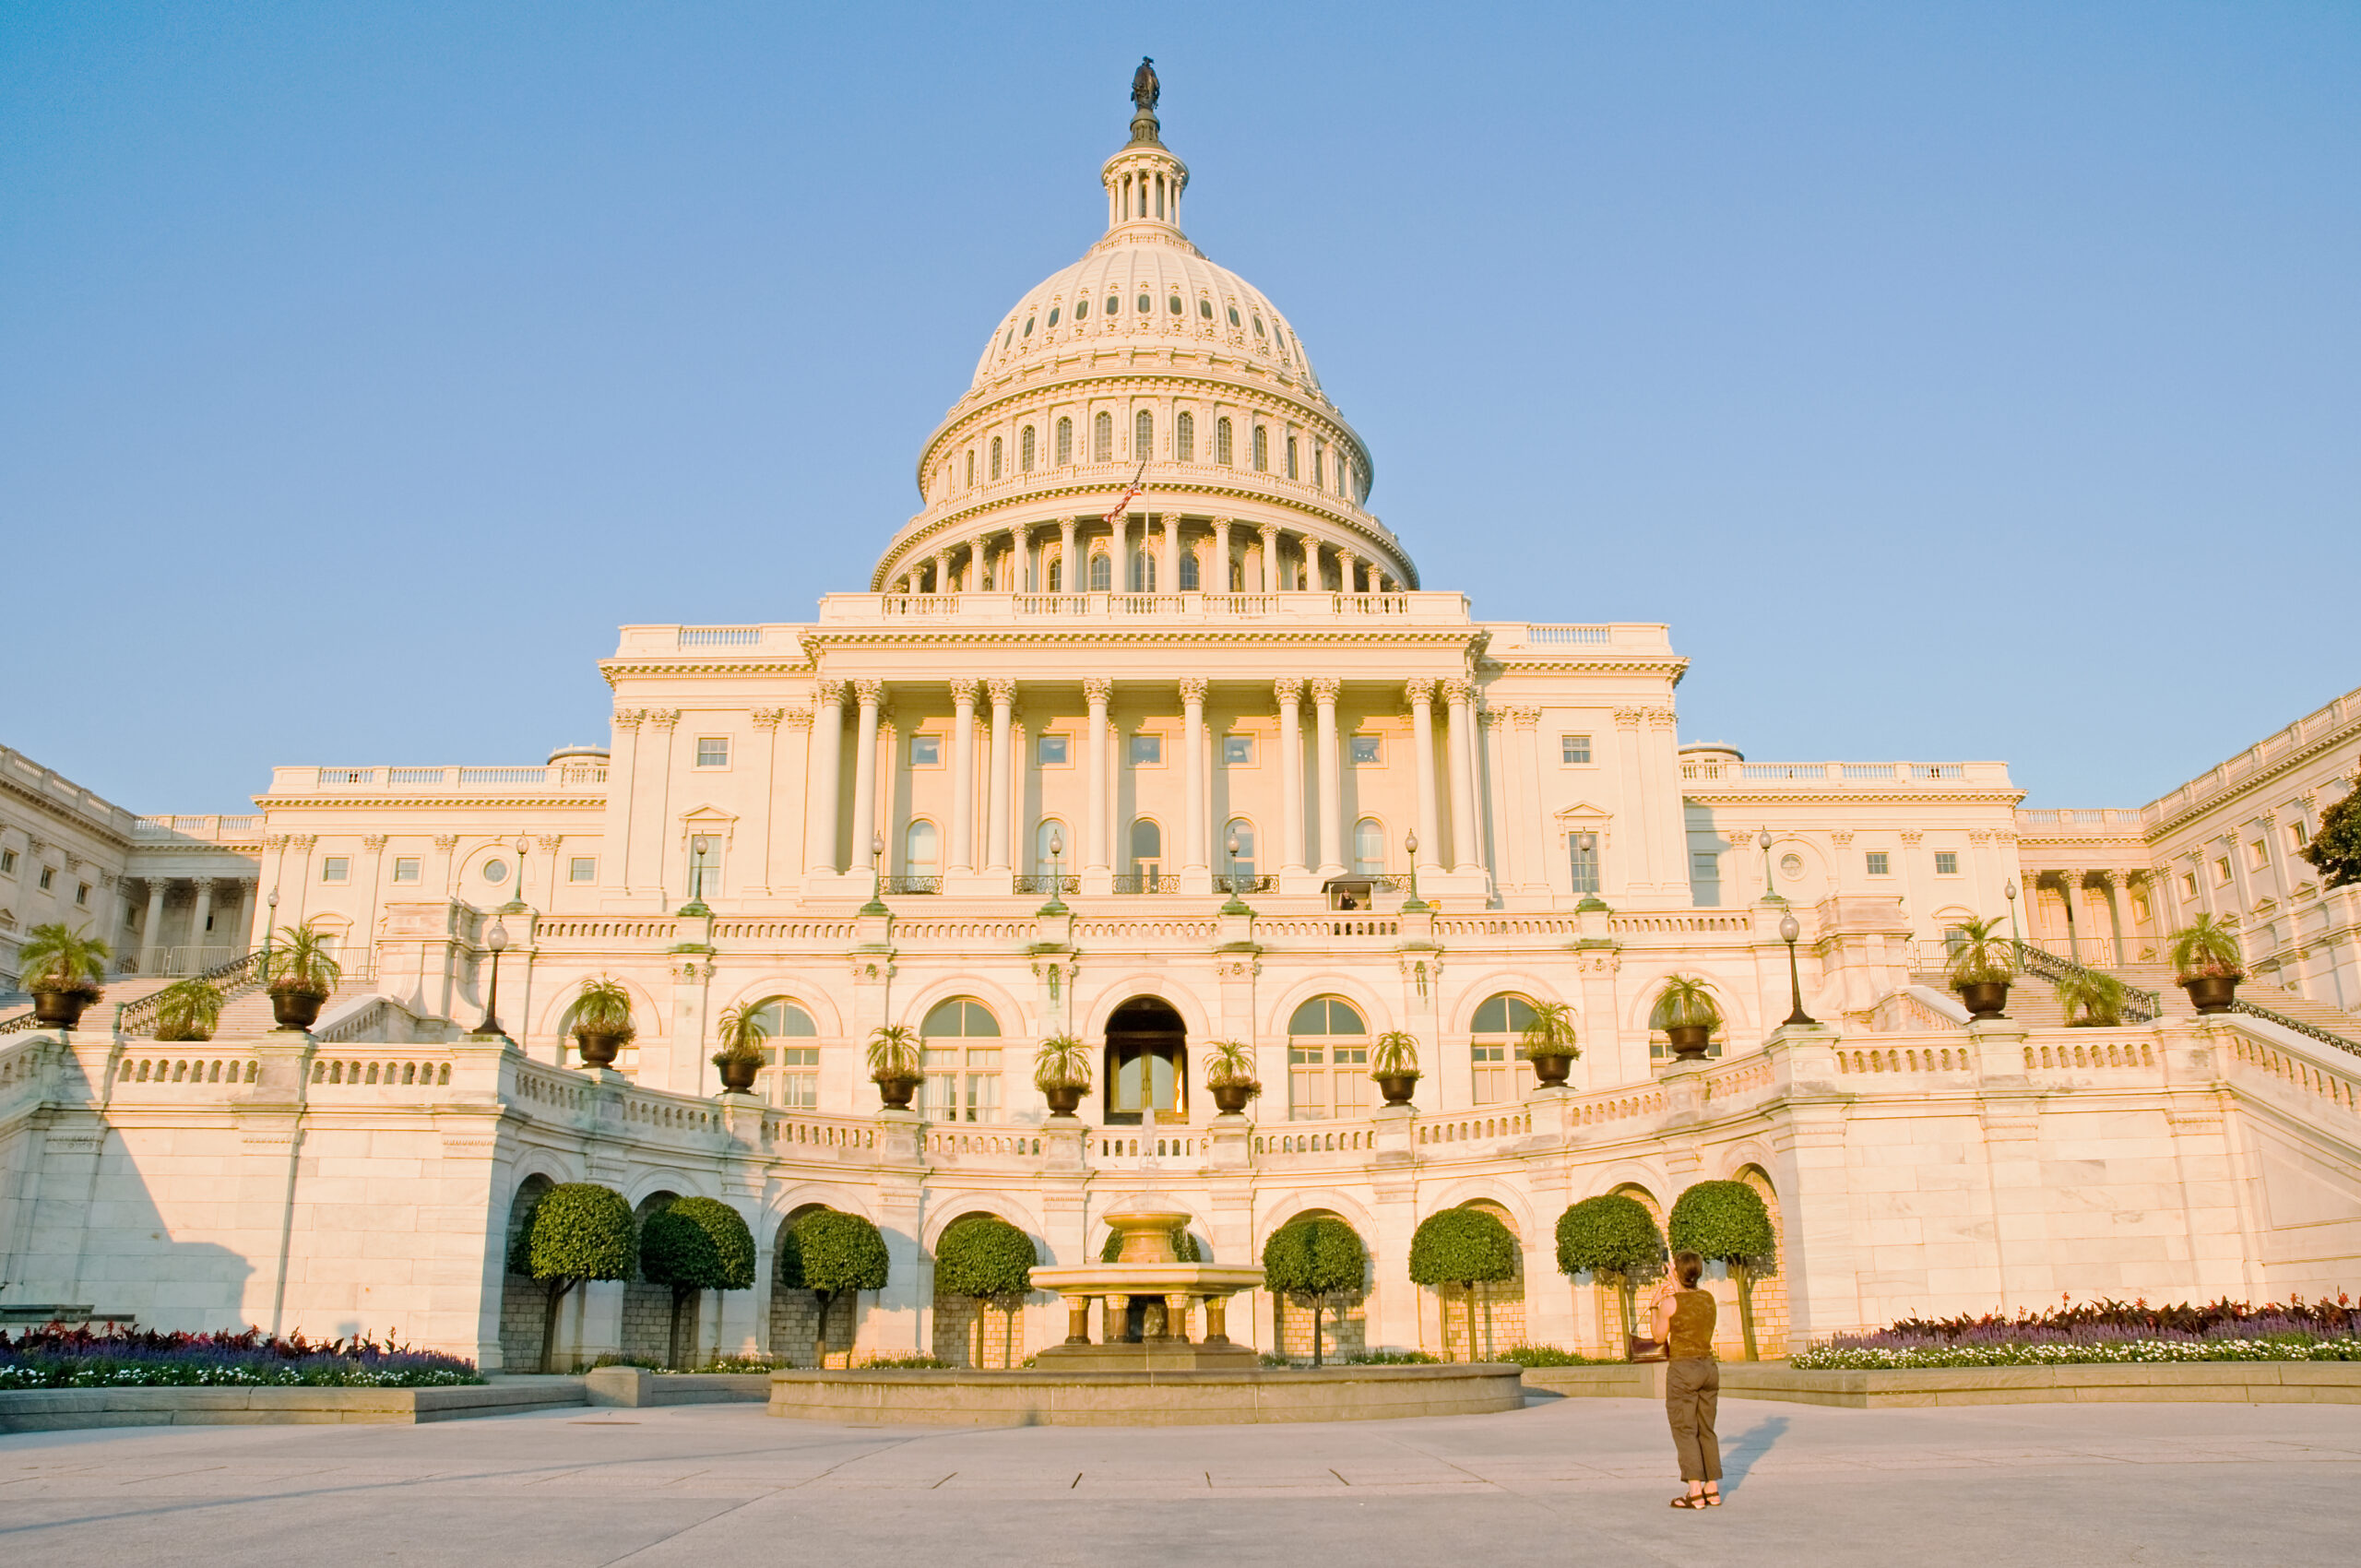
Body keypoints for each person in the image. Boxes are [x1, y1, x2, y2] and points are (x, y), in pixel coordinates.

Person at [1652, 1250, 1722, 1508]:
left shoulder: (1670, 1303)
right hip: (1708, 1367)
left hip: (1683, 1369)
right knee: (1706, 1428)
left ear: (1676, 1272)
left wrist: (1654, 1305)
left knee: (1685, 1428)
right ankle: (1711, 1487)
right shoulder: (1708, 1299)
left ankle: (1694, 1490)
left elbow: (1659, 1337)